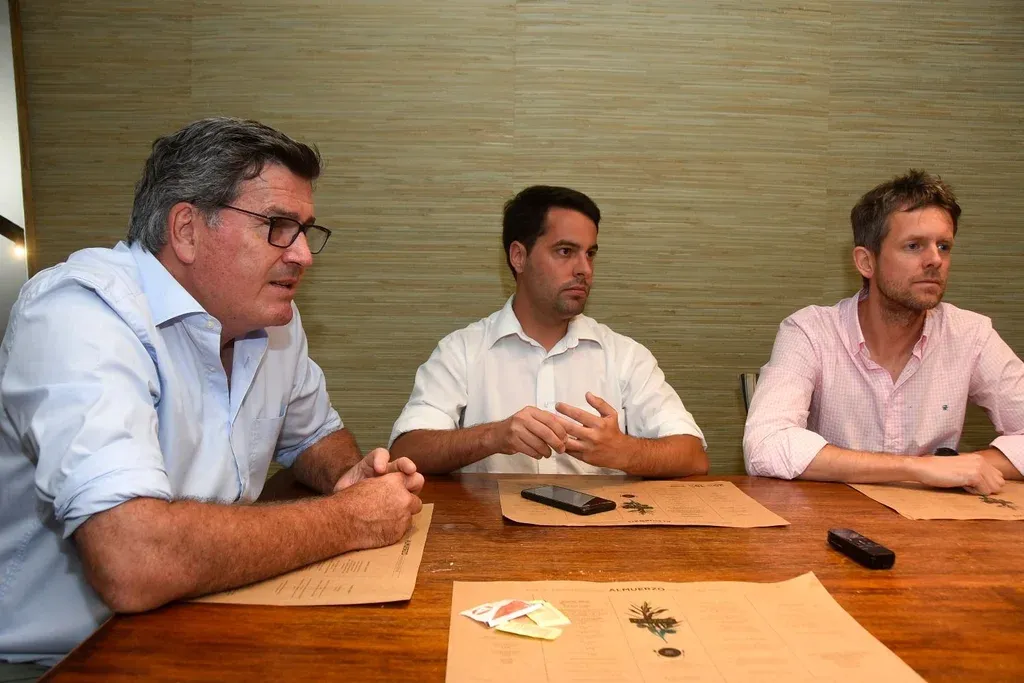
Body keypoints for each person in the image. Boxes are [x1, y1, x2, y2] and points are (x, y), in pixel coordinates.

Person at [0, 118, 423, 666]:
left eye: (305, 230)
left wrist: (347, 474)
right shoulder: (79, 314)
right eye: (277, 226)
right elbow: (133, 559)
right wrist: (348, 518)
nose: (303, 255)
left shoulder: (272, 320)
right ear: (186, 230)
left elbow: (315, 435)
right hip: (56, 660)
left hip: (197, 623)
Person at [389, 185, 707, 476]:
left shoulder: (625, 355)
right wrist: (493, 436)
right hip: (489, 521)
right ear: (519, 257)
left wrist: (624, 451)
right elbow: (405, 452)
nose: (584, 269)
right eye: (565, 251)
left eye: (590, 253)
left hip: (602, 521)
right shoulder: (461, 351)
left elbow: (693, 457)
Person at [744, 169, 1024, 493]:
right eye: (914, 246)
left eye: (944, 246)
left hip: (936, 519)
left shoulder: (971, 335)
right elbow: (765, 444)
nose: (935, 260)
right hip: (835, 516)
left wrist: (969, 465)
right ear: (866, 262)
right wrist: (917, 468)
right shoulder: (810, 332)